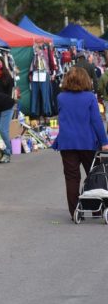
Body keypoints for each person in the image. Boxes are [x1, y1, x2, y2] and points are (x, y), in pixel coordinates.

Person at [53, 67, 108, 217]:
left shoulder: (61, 97)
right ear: (85, 80)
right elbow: (96, 121)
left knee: (71, 177)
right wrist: (104, 141)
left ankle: (75, 211)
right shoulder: (89, 97)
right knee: (94, 175)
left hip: (67, 143)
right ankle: (96, 208)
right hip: (88, 142)